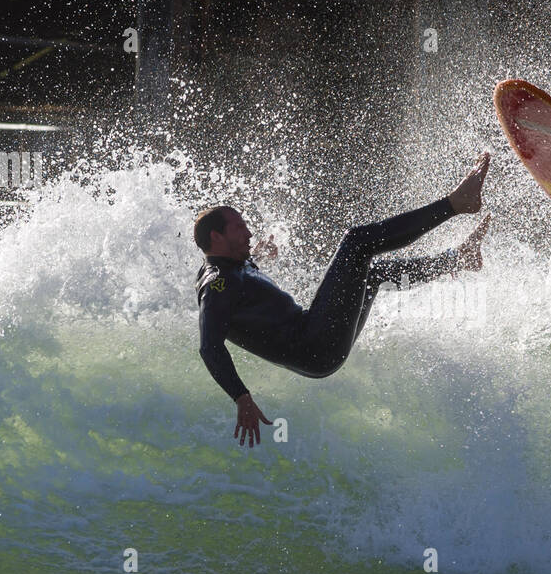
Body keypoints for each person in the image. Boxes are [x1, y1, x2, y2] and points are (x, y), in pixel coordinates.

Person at [195, 152, 492, 446]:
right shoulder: (217, 284)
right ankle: (455, 204)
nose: (248, 231)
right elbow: (209, 346)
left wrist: (258, 255)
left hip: (316, 344)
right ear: (217, 238)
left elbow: (242, 285)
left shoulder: (230, 265)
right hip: (315, 343)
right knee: (357, 242)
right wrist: (241, 398)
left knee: (371, 274)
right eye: (238, 227)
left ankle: (457, 259)